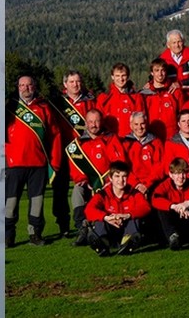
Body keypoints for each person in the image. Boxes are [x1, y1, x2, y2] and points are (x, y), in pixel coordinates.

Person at [5, 76, 64, 247]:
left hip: (38, 164)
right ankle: (8, 235)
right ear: (17, 87)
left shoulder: (44, 108)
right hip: (14, 163)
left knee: (37, 202)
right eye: (22, 85)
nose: (26, 88)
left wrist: (55, 162)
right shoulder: (10, 107)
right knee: (10, 202)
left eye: (29, 85)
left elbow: (55, 136)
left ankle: (35, 233)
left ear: (35, 86)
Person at [67, 109, 127, 244]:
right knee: (77, 190)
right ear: (86, 123)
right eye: (90, 122)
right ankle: (82, 227)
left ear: (102, 122)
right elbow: (74, 166)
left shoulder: (111, 138)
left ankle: (101, 230)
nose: (94, 125)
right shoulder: (79, 143)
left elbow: (119, 163)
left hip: (108, 184)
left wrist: (109, 181)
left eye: (97, 121)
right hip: (87, 183)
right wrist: (81, 179)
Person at [50, 71, 96, 237]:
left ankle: (89, 222)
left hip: (84, 154)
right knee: (60, 191)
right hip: (63, 152)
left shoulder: (90, 101)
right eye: (71, 82)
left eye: (78, 81)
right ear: (65, 84)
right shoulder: (58, 103)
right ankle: (63, 225)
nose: (75, 85)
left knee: (87, 188)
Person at [83, 161, 151, 256]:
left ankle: (127, 243)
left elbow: (146, 207)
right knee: (99, 220)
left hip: (126, 227)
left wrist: (127, 215)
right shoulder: (103, 194)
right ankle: (103, 243)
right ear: (110, 178)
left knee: (135, 219)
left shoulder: (134, 193)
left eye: (124, 176)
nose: (121, 180)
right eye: (117, 176)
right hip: (110, 228)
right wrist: (107, 217)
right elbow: (89, 209)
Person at [150, 157, 189, 250]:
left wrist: (188, 203)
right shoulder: (165, 185)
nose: (181, 177)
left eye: (183, 173)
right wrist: (174, 206)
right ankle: (173, 237)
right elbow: (155, 199)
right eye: (177, 173)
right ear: (171, 175)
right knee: (162, 208)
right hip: (174, 222)